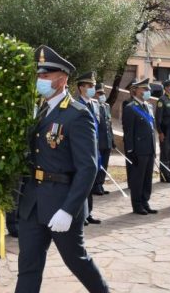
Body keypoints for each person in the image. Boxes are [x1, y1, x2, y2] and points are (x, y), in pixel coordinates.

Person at [15, 46, 108, 293]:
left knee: (77, 261)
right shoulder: (37, 110)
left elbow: (87, 168)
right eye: (38, 75)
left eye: (45, 75)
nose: (40, 80)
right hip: (33, 201)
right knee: (28, 265)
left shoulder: (77, 115)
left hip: (61, 200)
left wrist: (68, 210)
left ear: (62, 79)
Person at [122, 78, 157, 215]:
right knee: (138, 179)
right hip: (138, 150)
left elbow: (150, 128)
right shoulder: (130, 108)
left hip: (149, 149)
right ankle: (137, 205)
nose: (148, 91)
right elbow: (128, 132)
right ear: (135, 90)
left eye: (148, 89)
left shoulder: (148, 106)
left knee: (147, 178)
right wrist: (130, 151)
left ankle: (145, 201)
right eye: (145, 89)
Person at [75, 71, 101, 225]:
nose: (92, 88)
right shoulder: (76, 105)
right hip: (82, 149)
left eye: (93, 85)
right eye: (89, 86)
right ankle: (80, 214)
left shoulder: (95, 104)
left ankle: (88, 213)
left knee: (90, 182)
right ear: (80, 88)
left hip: (95, 148)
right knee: (81, 182)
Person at [92, 83, 113, 195]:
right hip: (98, 141)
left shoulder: (107, 106)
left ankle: (101, 183)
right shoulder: (93, 106)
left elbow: (109, 124)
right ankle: (95, 185)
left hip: (107, 140)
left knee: (104, 164)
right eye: (99, 93)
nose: (102, 95)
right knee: (98, 164)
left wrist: (112, 140)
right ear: (95, 94)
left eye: (103, 93)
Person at [154, 79, 170, 183]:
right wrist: (160, 132)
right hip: (165, 132)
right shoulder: (161, 100)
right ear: (167, 87)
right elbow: (158, 118)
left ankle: (169, 173)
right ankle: (164, 176)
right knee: (165, 154)